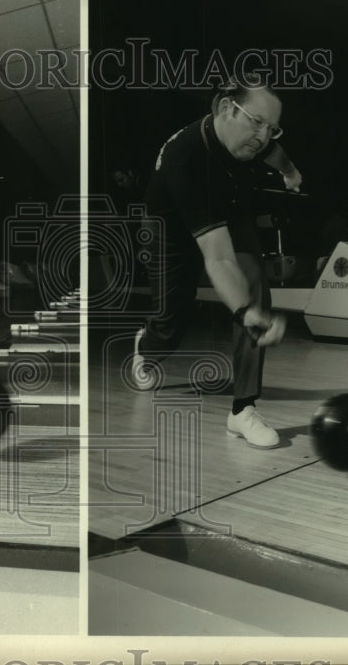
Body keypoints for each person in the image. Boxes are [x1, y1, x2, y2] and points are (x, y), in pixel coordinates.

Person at [132, 75, 302, 449]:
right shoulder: (187, 161)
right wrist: (244, 312)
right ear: (226, 108)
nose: (262, 135)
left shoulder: (253, 140)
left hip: (223, 210)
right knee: (171, 321)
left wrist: (289, 172)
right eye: (256, 122)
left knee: (255, 283)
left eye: (271, 128)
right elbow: (219, 258)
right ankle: (148, 346)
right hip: (167, 231)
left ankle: (242, 410)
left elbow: (272, 151)